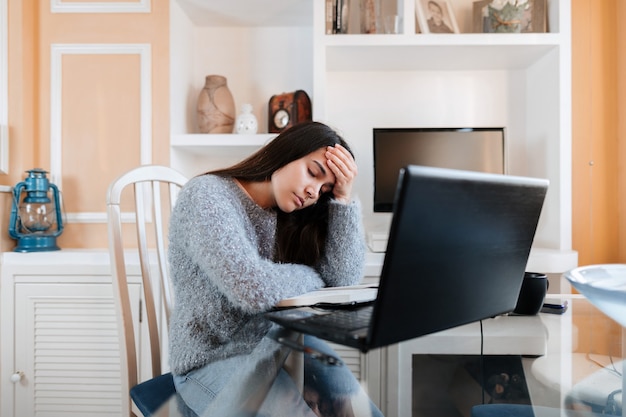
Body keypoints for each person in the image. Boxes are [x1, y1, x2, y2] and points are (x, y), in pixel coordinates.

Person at [168, 121, 383, 417]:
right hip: (208, 361)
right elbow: (253, 288)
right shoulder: (206, 195)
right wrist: (312, 277)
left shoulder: (289, 216)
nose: (313, 192)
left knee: (357, 410)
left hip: (277, 346)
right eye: (313, 172)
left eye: (324, 190)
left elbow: (341, 281)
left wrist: (343, 199)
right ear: (286, 151)